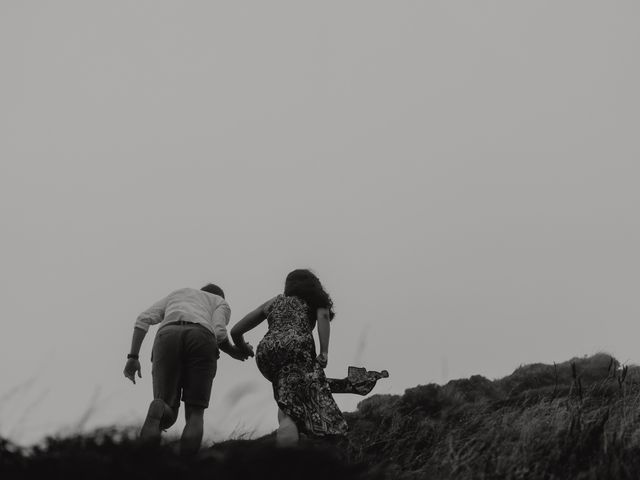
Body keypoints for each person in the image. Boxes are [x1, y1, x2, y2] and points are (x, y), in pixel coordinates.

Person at [123, 283, 251, 455]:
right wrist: (234, 351)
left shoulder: (179, 293)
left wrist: (133, 357)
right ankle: (186, 464)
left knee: (167, 408)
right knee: (195, 413)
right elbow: (219, 332)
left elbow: (143, 319)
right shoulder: (220, 302)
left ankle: (158, 408)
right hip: (201, 337)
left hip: (167, 335)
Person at [231, 269, 348, 446]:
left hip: (267, 352)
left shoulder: (274, 301)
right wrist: (324, 352)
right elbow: (323, 317)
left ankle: (293, 441)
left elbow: (236, 330)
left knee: (286, 400)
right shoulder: (314, 301)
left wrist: (243, 348)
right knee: (290, 415)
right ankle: (290, 458)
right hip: (296, 349)